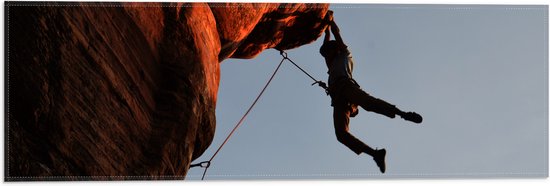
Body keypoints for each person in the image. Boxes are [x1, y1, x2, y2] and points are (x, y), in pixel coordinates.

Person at [319, 11, 423, 173]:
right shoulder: (331, 63)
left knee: (368, 103)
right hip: (339, 98)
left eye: (328, 52)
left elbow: (337, 35)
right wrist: (325, 30)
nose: (327, 56)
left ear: (335, 50)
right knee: (341, 134)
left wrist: (331, 22)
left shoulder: (345, 54)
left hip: (347, 87)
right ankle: (375, 153)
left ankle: (402, 113)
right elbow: (327, 43)